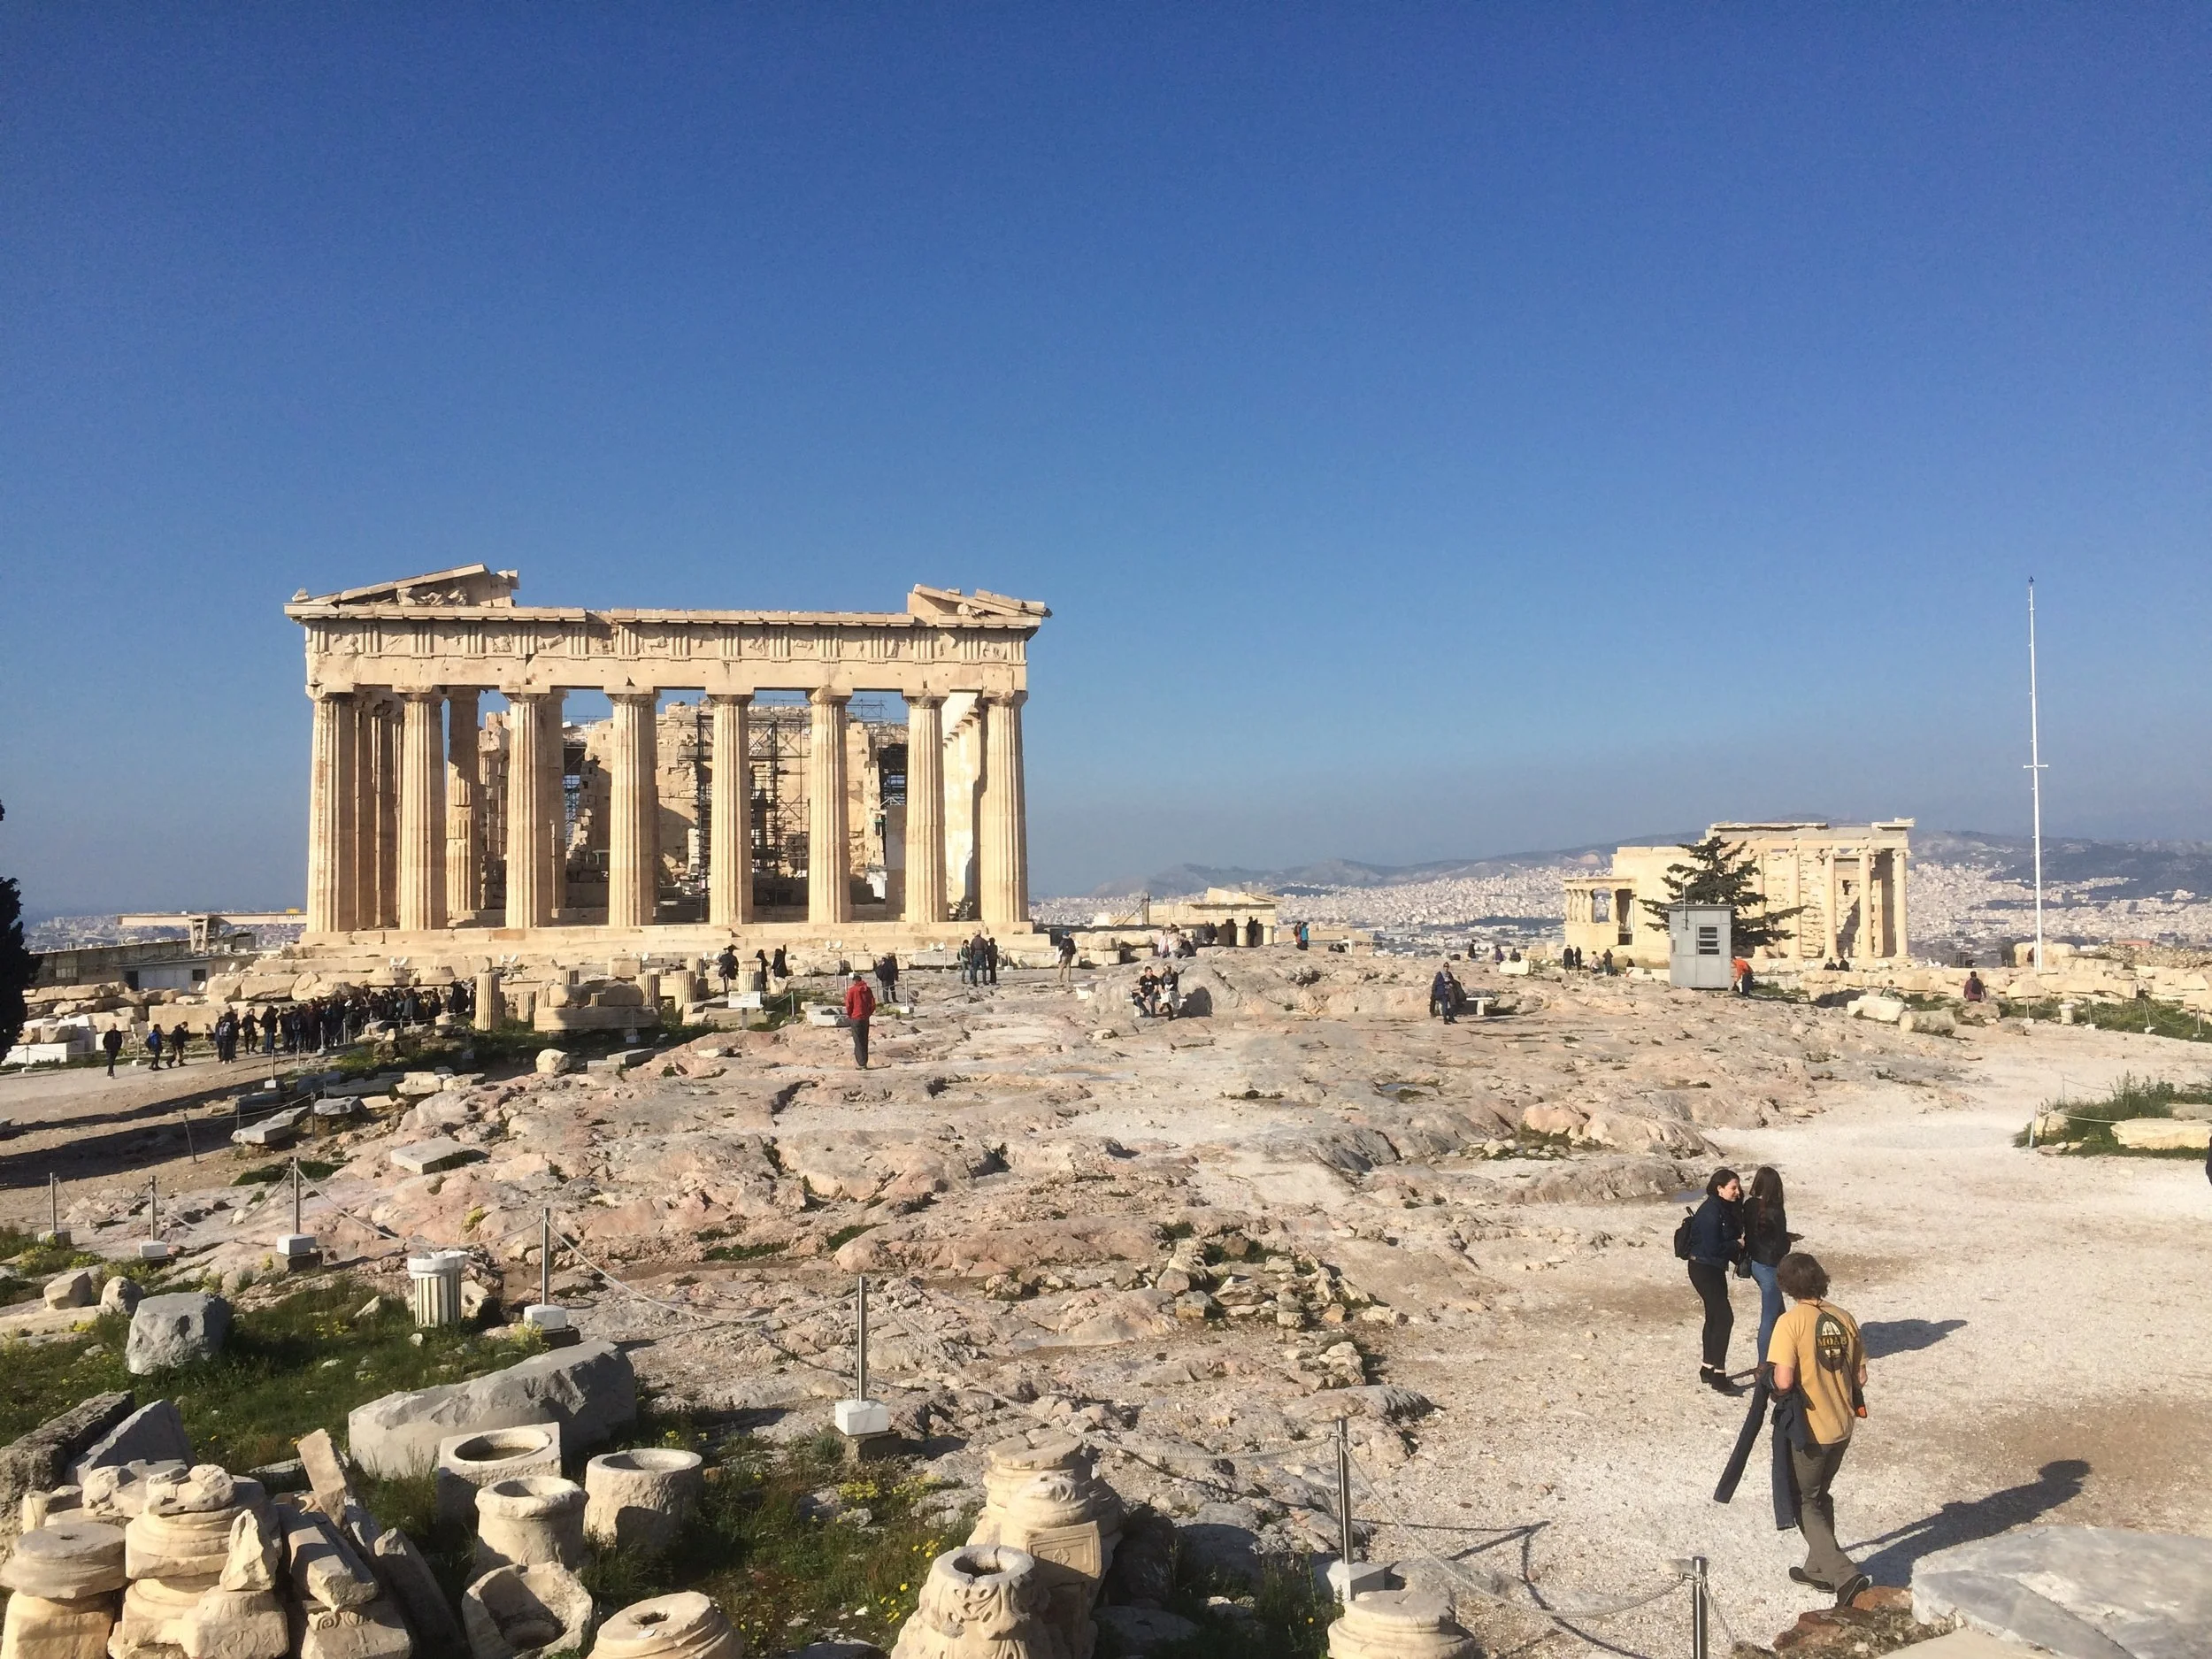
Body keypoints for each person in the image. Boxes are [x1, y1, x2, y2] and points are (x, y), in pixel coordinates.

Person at [1767, 1252, 1870, 1602]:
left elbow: (1782, 1381)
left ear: (1786, 1285)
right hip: (1842, 1425)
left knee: (1803, 1501)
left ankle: (1844, 1575)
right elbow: (1861, 1376)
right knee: (1820, 1493)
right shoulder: (1844, 1318)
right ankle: (1817, 1568)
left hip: (1811, 1429)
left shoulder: (1790, 1322)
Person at [1686, 1167, 1745, 1393]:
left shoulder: (1720, 1207)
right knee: (1724, 1318)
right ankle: (1719, 1375)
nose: (1737, 1191)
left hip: (1711, 1268)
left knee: (1713, 1316)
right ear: (1719, 1189)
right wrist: (1737, 1245)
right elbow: (1713, 1247)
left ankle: (1707, 1367)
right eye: (1733, 1187)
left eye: (1737, 1187)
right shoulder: (1711, 1211)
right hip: (1704, 1268)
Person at [1741, 1166, 1794, 1365]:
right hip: (1770, 1266)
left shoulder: (1749, 1205)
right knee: (1770, 1318)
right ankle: (1763, 1365)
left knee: (1780, 1315)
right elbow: (1780, 1242)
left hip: (1755, 1263)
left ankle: (1783, 1357)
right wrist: (1788, 1242)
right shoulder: (1775, 1210)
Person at [843, 971, 876, 1069]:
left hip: (855, 1017)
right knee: (864, 1040)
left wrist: (850, 1015)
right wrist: (868, 1014)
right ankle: (864, 1062)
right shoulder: (868, 990)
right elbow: (873, 1004)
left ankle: (861, 1064)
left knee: (858, 1041)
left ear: (854, 982)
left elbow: (848, 1004)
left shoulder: (852, 990)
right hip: (865, 1018)